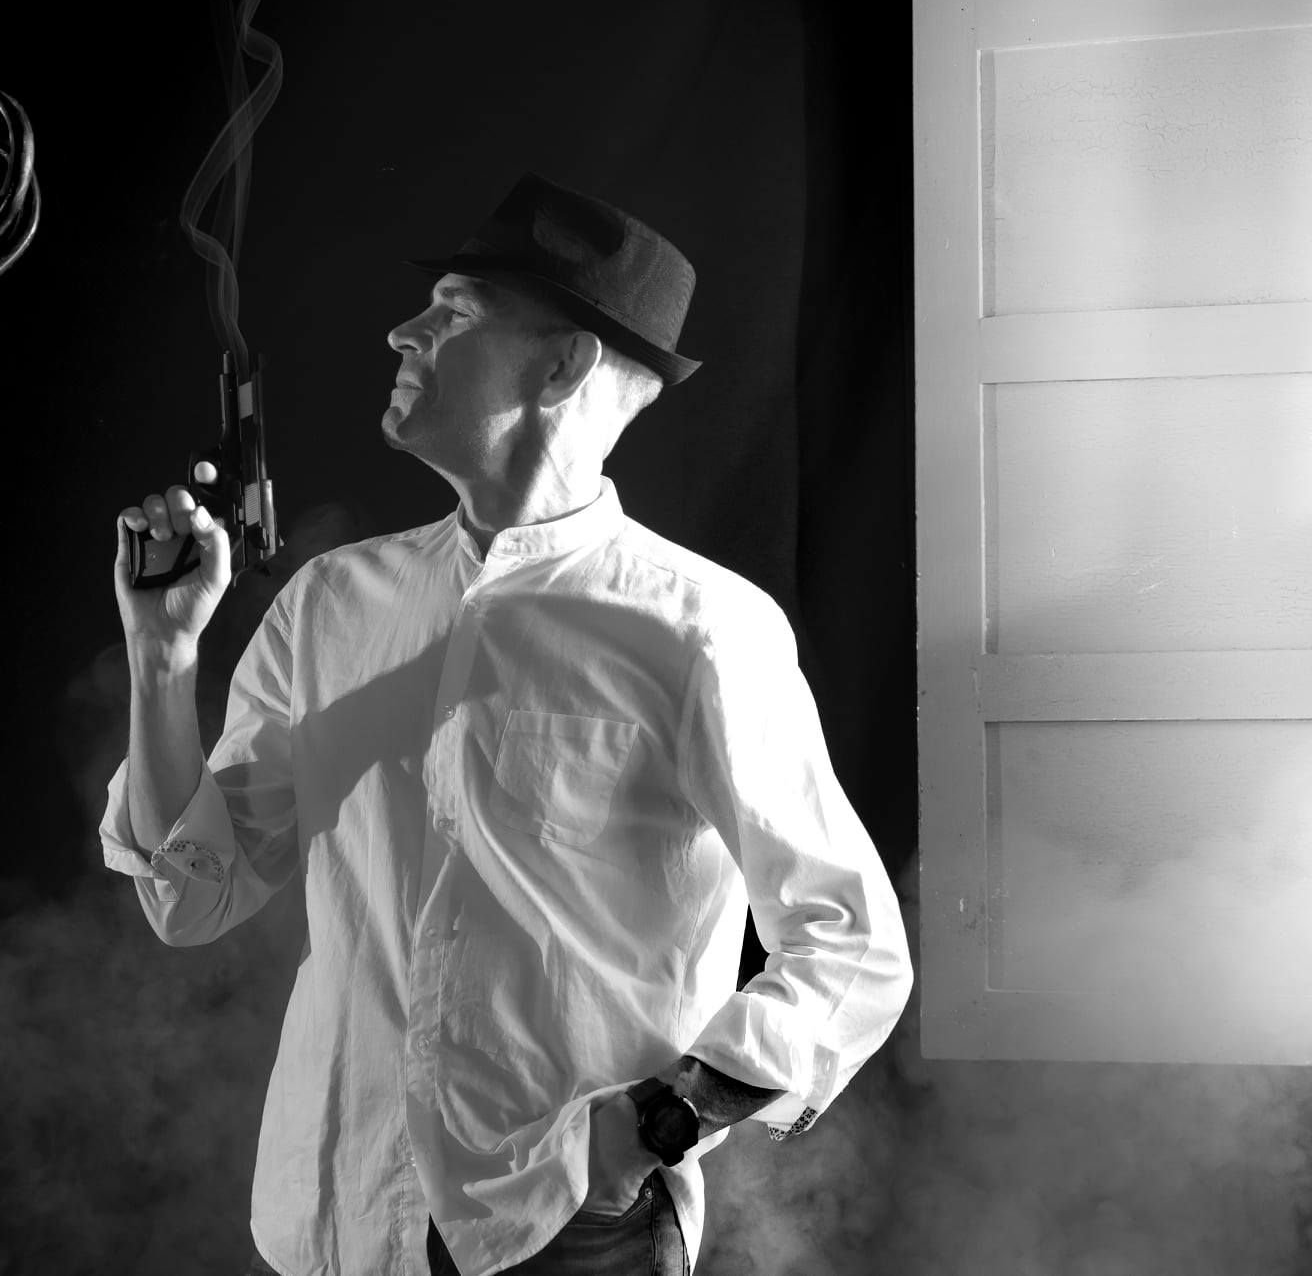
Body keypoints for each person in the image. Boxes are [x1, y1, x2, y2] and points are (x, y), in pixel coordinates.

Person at [105, 174, 912, 1276]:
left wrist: (663, 1123)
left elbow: (851, 947)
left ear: (563, 365)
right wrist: (162, 661)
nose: (401, 332)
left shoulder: (700, 629)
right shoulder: (330, 605)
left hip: (572, 1229)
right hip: (337, 1216)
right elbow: (191, 896)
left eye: (453, 311)